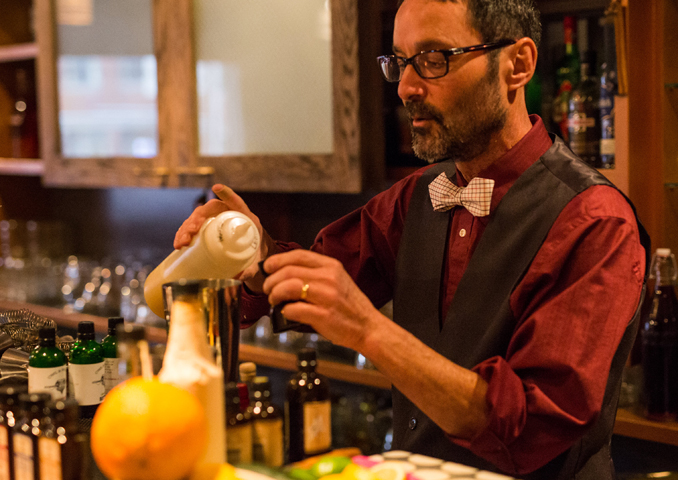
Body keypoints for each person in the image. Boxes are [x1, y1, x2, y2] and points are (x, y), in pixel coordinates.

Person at [174, 0, 649, 478]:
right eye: (400, 62)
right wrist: (253, 253)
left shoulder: (594, 221)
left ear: (517, 65)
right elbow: (311, 284)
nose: (406, 87)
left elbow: (531, 427)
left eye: (434, 59)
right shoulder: (415, 196)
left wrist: (371, 331)